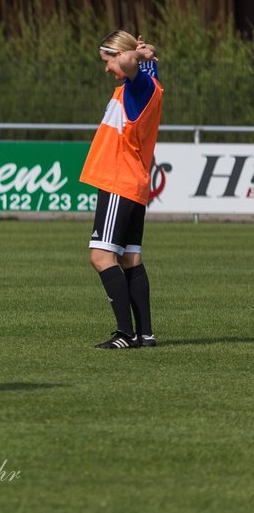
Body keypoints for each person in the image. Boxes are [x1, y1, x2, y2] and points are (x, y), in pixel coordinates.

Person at [79, 32, 162, 349]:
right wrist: (147, 52)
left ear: (121, 55)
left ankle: (125, 334)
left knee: (101, 256)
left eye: (108, 60)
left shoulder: (138, 88)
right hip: (133, 179)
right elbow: (144, 61)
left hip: (119, 178)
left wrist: (136, 54)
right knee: (130, 257)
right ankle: (146, 334)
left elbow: (131, 62)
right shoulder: (147, 84)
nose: (107, 69)